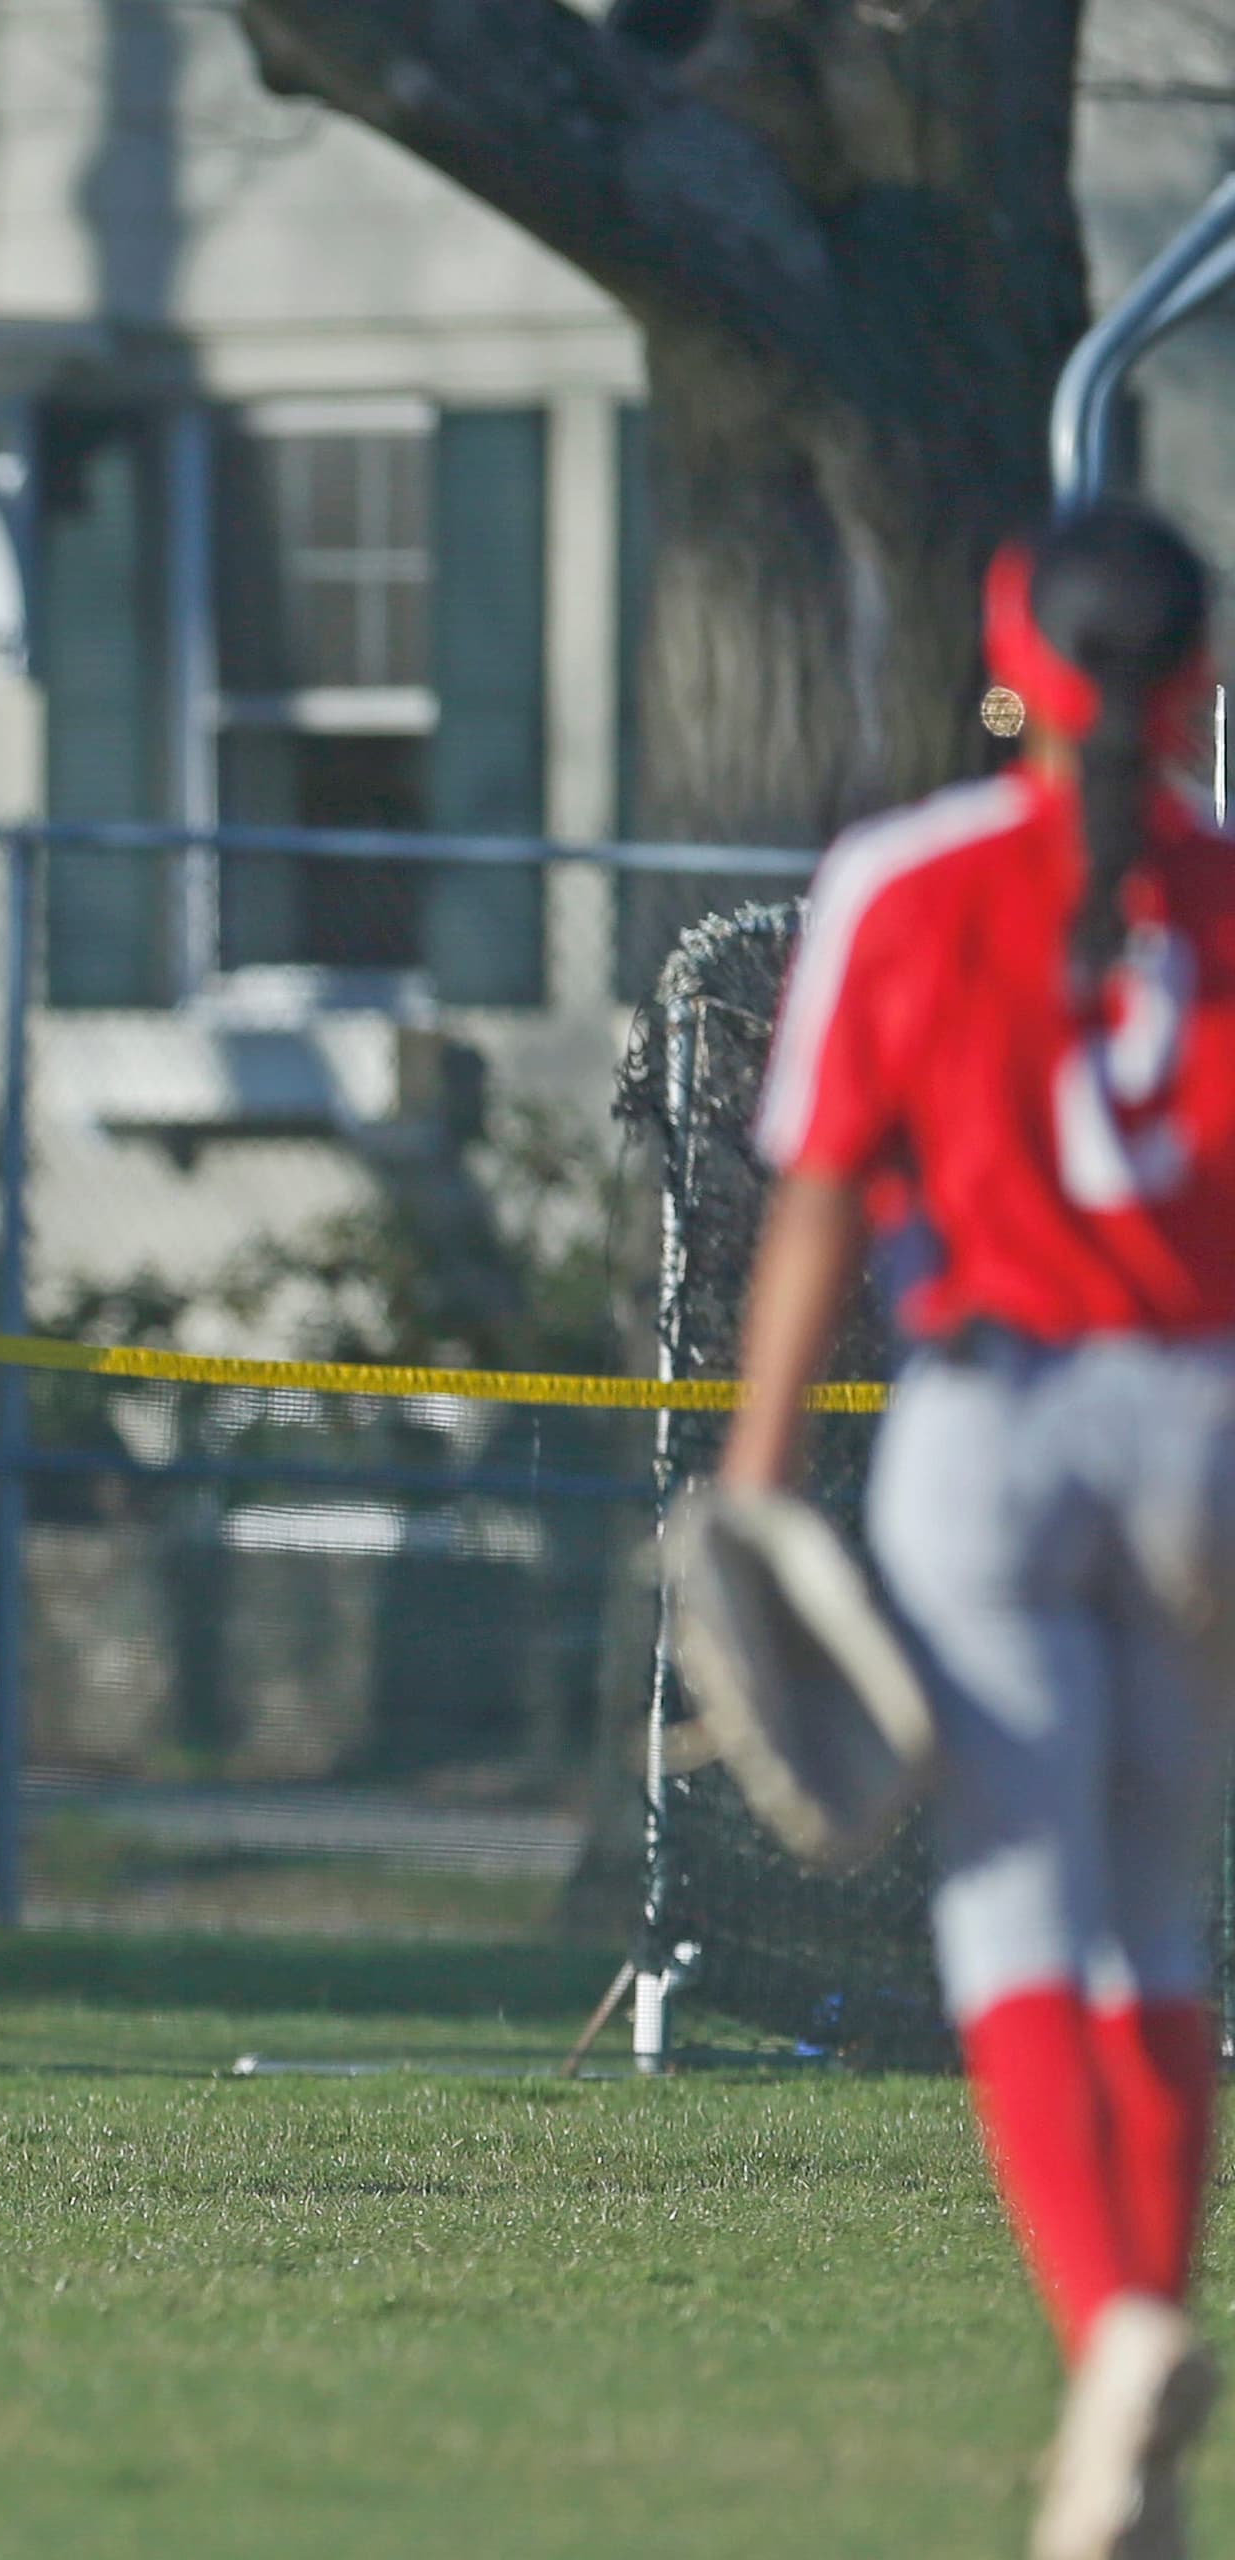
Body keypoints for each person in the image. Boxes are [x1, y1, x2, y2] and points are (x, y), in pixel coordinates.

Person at [730, 497, 1235, 2560]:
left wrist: (756, 1474)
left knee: (1016, 1905)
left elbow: (828, 1186)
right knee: (1164, 1900)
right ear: (1202, 680)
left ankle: (1114, 2326)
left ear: (1009, 665)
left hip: (995, 1417)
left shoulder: (908, 875)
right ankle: (1150, 2342)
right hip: (1208, 1416)